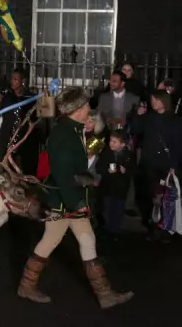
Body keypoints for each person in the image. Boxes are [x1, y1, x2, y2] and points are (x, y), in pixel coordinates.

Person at [17, 87, 133, 309]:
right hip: (65, 202)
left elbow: (73, 169)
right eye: (86, 105)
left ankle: (105, 294)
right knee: (53, 241)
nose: (89, 108)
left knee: (83, 240)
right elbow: (62, 174)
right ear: (78, 110)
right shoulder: (64, 134)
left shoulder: (73, 130)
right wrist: (76, 203)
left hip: (67, 201)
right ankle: (27, 286)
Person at [130, 89, 182, 241]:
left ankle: (166, 228)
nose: (153, 103)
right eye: (152, 100)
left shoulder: (175, 120)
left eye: (156, 100)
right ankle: (153, 226)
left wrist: (174, 165)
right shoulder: (148, 117)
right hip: (149, 162)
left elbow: (178, 144)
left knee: (167, 197)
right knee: (152, 196)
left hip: (166, 164)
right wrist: (137, 116)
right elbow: (135, 130)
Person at [96, 130, 135, 238]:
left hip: (121, 188)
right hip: (108, 186)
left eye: (114, 142)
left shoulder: (129, 155)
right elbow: (99, 167)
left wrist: (125, 171)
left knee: (118, 208)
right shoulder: (106, 153)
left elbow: (133, 169)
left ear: (122, 144)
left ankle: (116, 229)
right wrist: (107, 170)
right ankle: (108, 228)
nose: (111, 143)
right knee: (107, 207)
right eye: (110, 141)